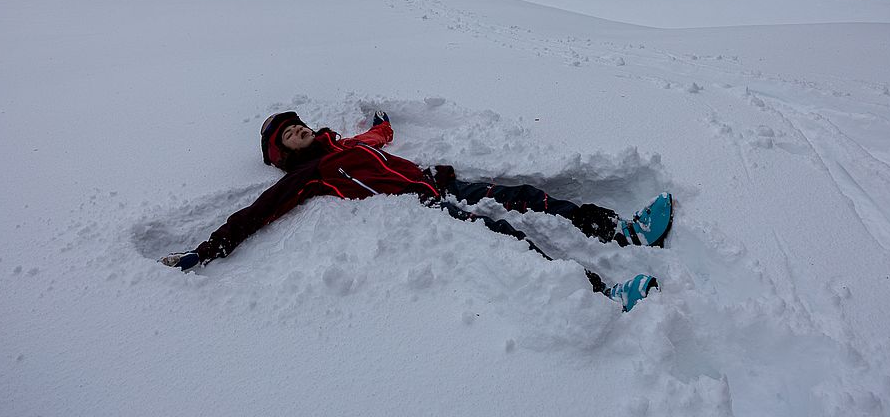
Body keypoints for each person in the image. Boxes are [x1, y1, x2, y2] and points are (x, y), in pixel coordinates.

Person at [161, 110, 673, 311]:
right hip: (421, 209)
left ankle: (622, 232)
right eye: (286, 137)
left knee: (526, 197)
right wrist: (210, 248)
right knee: (512, 239)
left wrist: (382, 123)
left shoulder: (341, 142)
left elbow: (379, 137)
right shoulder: (307, 176)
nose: (296, 133)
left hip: (439, 183)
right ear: (284, 155)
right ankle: (603, 296)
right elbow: (257, 211)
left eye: (296, 125)